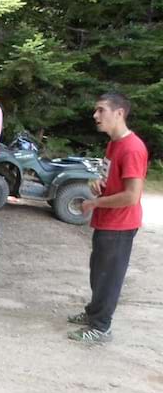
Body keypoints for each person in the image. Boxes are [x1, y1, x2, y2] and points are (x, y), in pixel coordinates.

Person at [67, 93, 148, 343]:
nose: (96, 115)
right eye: (96, 110)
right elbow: (106, 177)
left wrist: (96, 202)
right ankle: (94, 313)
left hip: (120, 224)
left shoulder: (133, 148)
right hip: (106, 221)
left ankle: (101, 327)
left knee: (109, 276)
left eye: (101, 110)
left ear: (119, 113)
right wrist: (97, 184)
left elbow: (131, 196)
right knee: (98, 272)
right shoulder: (113, 143)